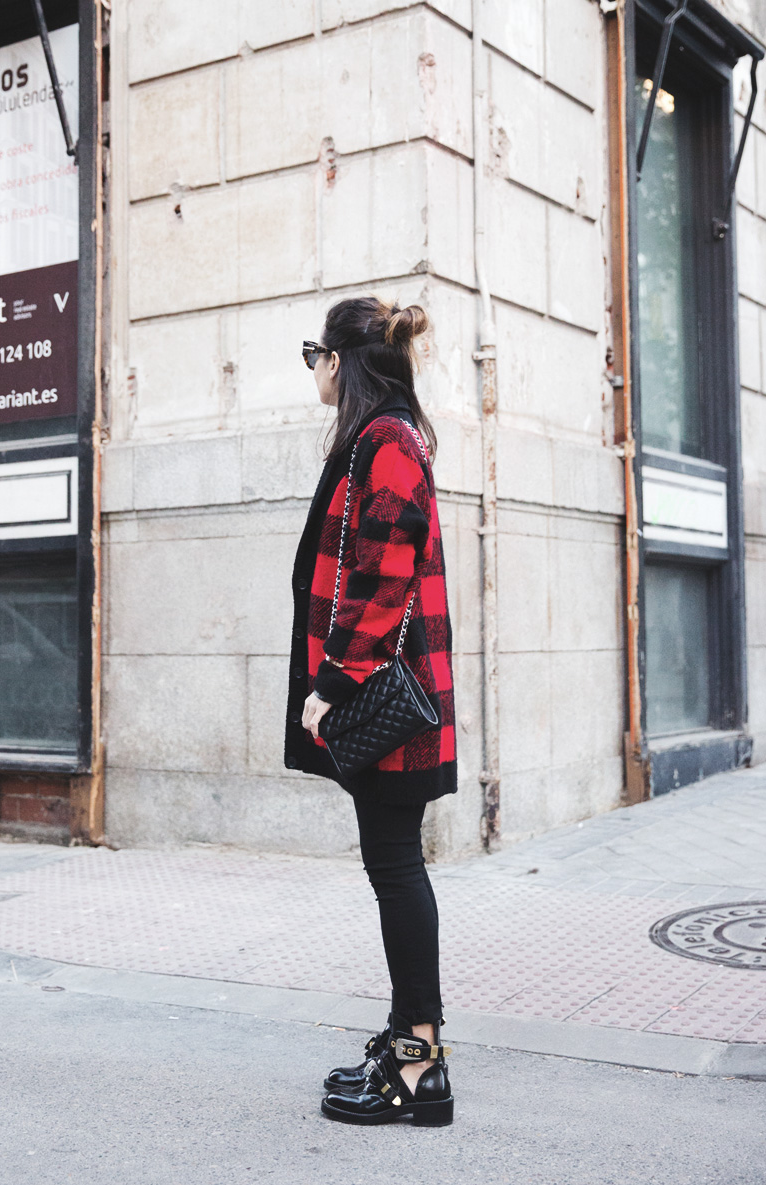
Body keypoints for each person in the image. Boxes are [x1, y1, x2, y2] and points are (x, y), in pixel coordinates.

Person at [284, 296, 457, 1127]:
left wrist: (333, 684)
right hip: (395, 696)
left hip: (386, 701)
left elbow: (382, 579)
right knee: (395, 865)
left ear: (345, 361)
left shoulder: (386, 441)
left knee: (395, 868)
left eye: (316, 350)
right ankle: (407, 1043)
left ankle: (419, 1065)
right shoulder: (384, 437)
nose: (313, 365)